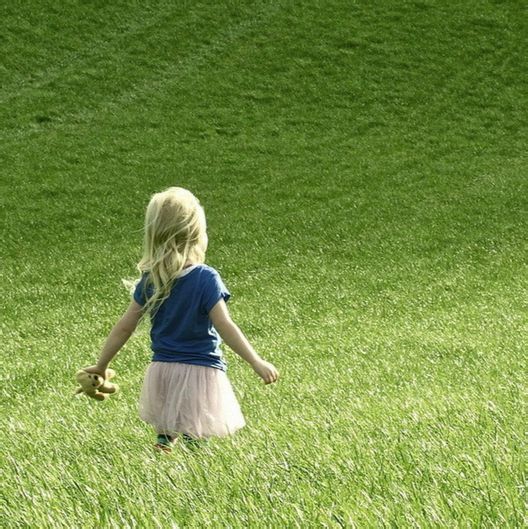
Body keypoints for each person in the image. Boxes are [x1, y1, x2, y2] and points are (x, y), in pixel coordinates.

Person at [83, 187, 279, 452]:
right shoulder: (205, 278)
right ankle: (194, 464)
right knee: (195, 433)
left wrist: (101, 364)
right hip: (200, 369)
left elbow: (124, 327)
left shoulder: (153, 279)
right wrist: (256, 361)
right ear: (197, 234)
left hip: (162, 370)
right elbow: (225, 325)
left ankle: (162, 451)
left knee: (167, 432)